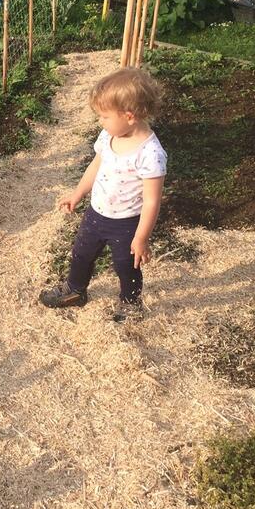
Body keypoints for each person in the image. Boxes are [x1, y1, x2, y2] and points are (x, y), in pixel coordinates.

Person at [40, 68, 167, 322]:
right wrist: (77, 194)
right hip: (96, 214)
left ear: (129, 116)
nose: (101, 122)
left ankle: (131, 304)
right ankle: (75, 290)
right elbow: (95, 166)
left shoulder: (150, 154)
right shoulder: (109, 135)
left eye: (104, 116)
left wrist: (141, 238)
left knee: (126, 265)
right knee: (81, 254)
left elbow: (152, 201)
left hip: (126, 223)